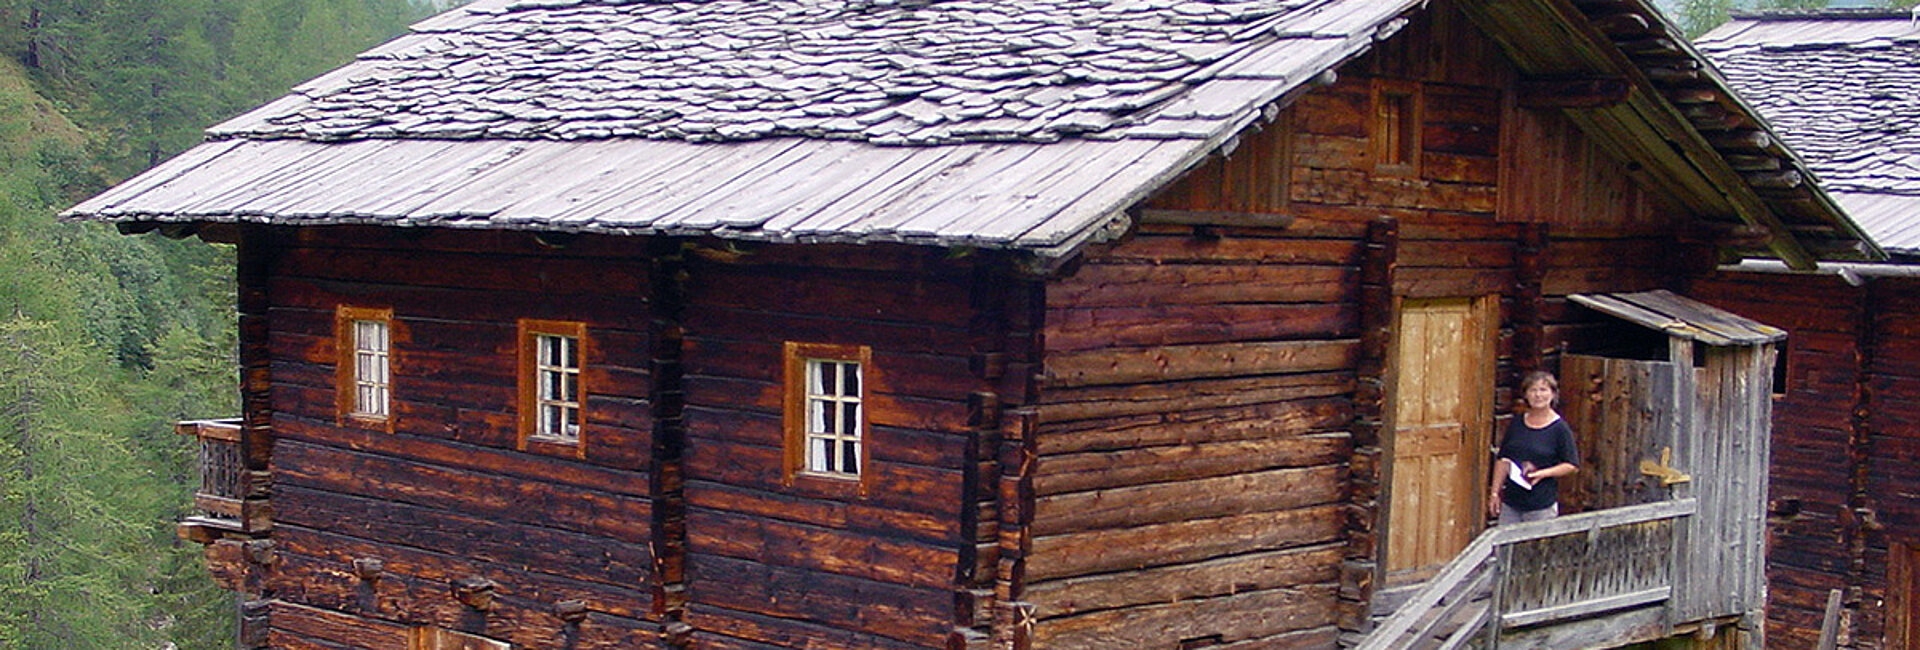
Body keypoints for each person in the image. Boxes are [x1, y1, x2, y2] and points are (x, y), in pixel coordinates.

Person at [1488, 370, 1579, 524]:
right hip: (1511, 503)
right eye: (1533, 390)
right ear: (1526, 395)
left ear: (1553, 394)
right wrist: (1495, 493)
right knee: (1506, 539)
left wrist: (1543, 474)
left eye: (1543, 390)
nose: (1538, 395)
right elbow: (1504, 459)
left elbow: (1571, 465)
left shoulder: (1559, 429)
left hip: (1540, 505)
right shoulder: (1517, 423)